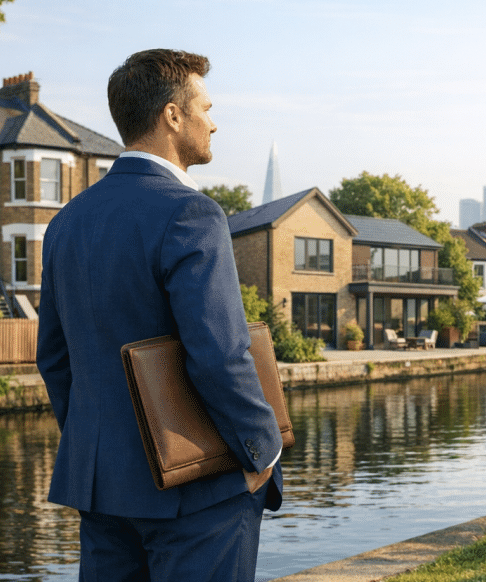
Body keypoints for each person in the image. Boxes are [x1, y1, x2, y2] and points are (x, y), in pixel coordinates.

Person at [36, 49, 284, 581]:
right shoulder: (191, 211)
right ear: (173, 115)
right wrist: (262, 449)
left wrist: (98, 446)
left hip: (102, 487)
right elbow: (219, 353)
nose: (213, 123)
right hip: (198, 488)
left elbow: (55, 359)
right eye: (206, 107)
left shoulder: (65, 222)